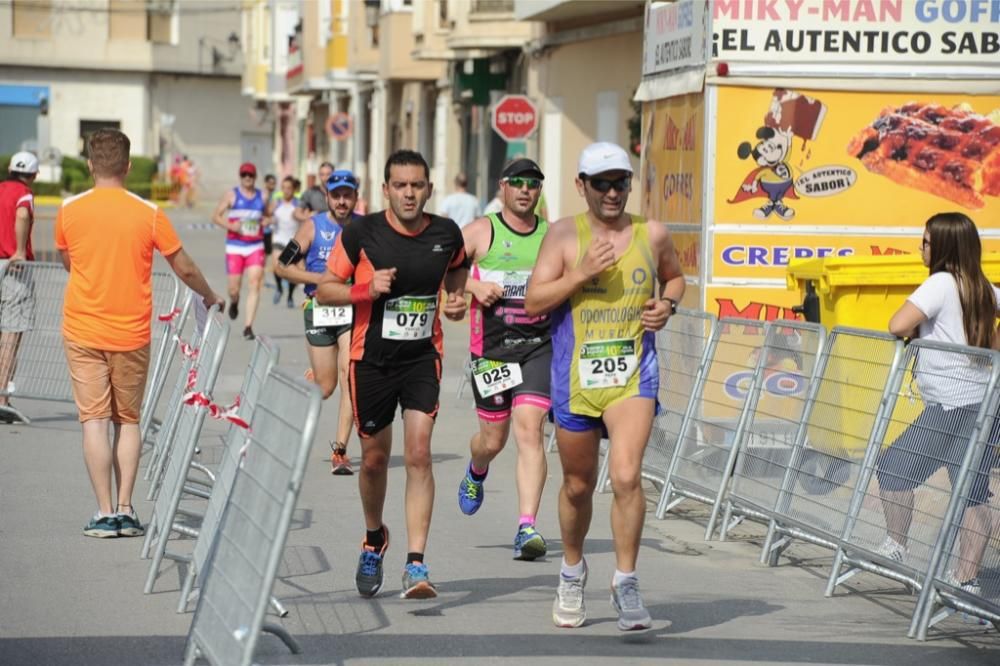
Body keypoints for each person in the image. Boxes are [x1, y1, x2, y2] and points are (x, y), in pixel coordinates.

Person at [525, 142, 684, 631]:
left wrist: (668, 305)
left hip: (633, 375)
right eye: (602, 183)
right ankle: (572, 571)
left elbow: (674, 279)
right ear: (581, 186)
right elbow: (533, 301)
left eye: (621, 182)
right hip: (575, 379)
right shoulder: (562, 236)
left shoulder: (650, 233)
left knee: (628, 475)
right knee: (578, 485)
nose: (613, 192)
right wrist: (581, 274)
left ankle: (626, 580)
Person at [54, 128, 223, 538]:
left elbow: (67, 260)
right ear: (128, 167)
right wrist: (208, 294)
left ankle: (103, 512)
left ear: (91, 165)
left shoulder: (68, 210)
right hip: (130, 332)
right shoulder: (148, 213)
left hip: (82, 329)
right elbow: (182, 265)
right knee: (127, 420)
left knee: (93, 420)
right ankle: (127, 509)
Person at [316, 150, 468, 600]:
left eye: (416, 185)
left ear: (428, 189)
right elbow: (325, 289)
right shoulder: (362, 233)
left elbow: (458, 270)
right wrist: (366, 289)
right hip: (371, 362)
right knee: (376, 460)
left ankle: (416, 563)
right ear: (385, 189)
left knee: (419, 452)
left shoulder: (446, 233)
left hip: (422, 359)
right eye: (400, 185)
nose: (408, 192)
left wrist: (456, 301)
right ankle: (373, 537)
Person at [880, 212, 1000, 596]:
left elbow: (896, 324)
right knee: (972, 490)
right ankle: (966, 578)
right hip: (982, 403)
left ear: (945, 246)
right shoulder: (981, 286)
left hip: (951, 406)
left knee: (892, 467)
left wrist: (917, 329)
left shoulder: (941, 283)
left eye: (927, 241)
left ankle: (897, 545)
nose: (921, 247)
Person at [457, 158, 552, 561]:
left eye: (533, 183)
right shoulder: (482, 230)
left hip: (538, 347)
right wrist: (474, 286)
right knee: (493, 441)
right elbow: (440, 270)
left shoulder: (553, 235)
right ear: (503, 187)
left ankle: (526, 526)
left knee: (530, 430)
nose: (525, 190)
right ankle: (477, 468)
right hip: (492, 350)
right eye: (517, 183)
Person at [275, 169, 361, 475]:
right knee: (326, 387)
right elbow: (281, 265)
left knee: (350, 376)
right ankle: (304, 384)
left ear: (355, 197)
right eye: (335, 195)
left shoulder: (365, 227)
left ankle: (340, 450)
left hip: (353, 310)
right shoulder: (312, 226)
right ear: (327, 197)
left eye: (347, 195)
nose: (341, 201)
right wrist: (319, 279)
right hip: (320, 309)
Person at [0, 151, 39, 424]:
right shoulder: (24, 194)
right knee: (11, 334)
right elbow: (22, 215)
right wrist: (18, 251)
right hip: (12, 268)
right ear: (34, 175)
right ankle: (2, 398)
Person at [212, 162, 270, 340]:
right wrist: (231, 225)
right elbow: (215, 216)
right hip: (235, 246)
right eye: (244, 175)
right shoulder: (232, 195)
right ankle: (234, 302)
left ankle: (248, 327)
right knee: (233, 289)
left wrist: (266, 221)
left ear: (254, 178)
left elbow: (268, 215)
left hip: (255, 246)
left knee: (254, 283)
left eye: (250, 175)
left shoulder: (263, 196)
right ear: (240, 177)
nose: (247, 178)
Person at [268, 176, 300, 308]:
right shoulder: (277, 202)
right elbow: (267, 214)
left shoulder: (298, 204)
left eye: (289, 188)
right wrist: (270, 217)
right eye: (284, 188)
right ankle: (279, 288)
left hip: (293, 241)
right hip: (278, 239)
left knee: (292, 271)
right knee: (276, 266)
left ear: (294, 190)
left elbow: (305, 218)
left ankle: (290, 295)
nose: (286, 191)